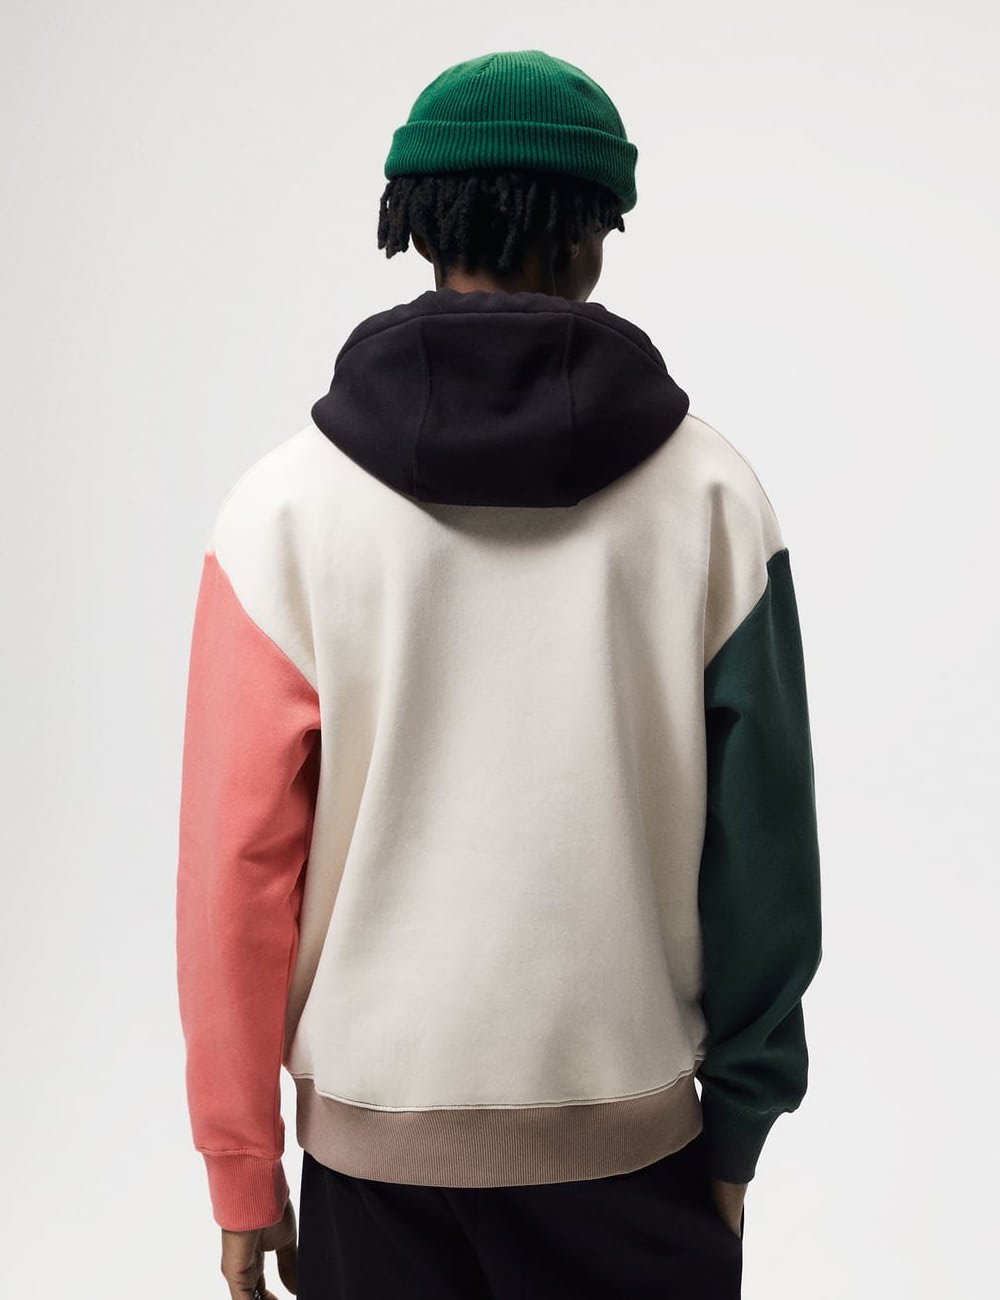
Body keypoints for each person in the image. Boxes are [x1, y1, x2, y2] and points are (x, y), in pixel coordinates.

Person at [175, 48, 823, 1300]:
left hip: (374, 1160)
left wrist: (242, 1168)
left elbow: (233, 871)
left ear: (417, 227)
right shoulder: (711, 499)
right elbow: (766, 854)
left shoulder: (282, 512)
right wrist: (740, 1123)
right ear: (593, 236)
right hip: (636, 1153)